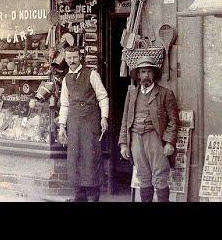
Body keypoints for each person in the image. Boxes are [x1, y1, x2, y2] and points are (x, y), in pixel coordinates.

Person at [118, 57, 178, 202]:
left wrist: (169, 142)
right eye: (143, 72)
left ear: (154, 74)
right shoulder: (132, 94)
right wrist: (124, 144)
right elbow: (125, 119)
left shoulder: (165, 93)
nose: (146, 75)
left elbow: (174, 121)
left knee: (160, 176)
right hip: (136, 139)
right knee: (143, 176)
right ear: (138, 75)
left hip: (155, 139)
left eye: (149, 72)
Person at [58, 47, 109, 202]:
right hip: (74, 126)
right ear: (65, 59)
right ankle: (79, 198)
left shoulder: (92, 74)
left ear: (80, 57)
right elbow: (64, 105)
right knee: (75, 161)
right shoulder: (66, 79)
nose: (72, 61)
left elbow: (103, 97)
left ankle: (93, 198)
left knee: (91, 161)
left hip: (90, 124)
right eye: (69, 58)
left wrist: (104, 117)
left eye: (74, 57)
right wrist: (62, 126)